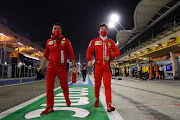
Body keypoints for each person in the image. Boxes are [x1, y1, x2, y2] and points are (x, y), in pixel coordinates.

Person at [38, 23, 77, 114]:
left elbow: (71, 54)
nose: (56, 30)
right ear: (52, 30)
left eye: (58, 28)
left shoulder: (66, 41)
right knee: (49, 88)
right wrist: (42, 66)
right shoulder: (49, 42)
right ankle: (50, 107)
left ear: (61, 31)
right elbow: (45, 55)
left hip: (62, 67)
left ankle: (67, 98)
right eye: (55, 28)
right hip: (51, 66)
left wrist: (74, 66)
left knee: (64, 85)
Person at [86, 24, 120, 112]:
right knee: (97, 85)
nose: (103, 30)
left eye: (105, 29)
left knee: (107, 85)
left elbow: (117, 52)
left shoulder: (111, 42)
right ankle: (97, 99)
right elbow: (89, 51)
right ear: (99, 31)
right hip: (97, 67)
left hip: (106, 68)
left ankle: (109, 104)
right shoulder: (94, 41)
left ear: (107, 31)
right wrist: (89, 60)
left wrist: (110, 56)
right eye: (102, 29)